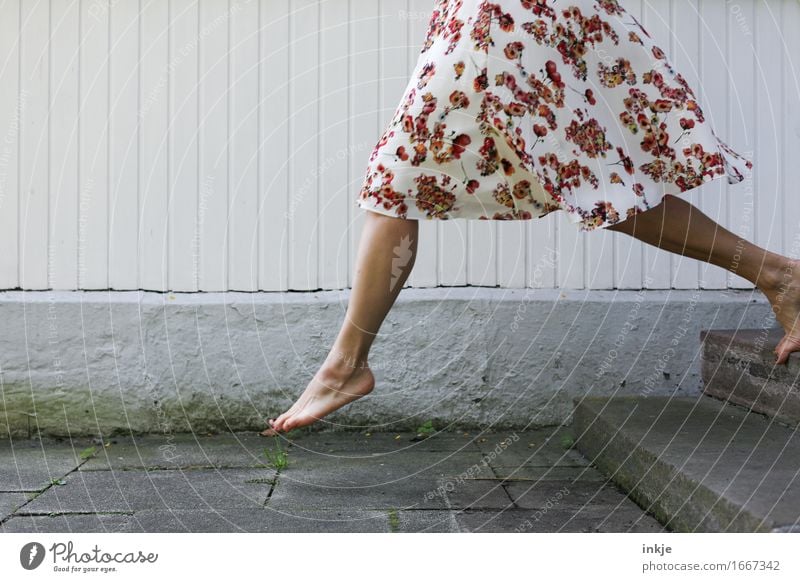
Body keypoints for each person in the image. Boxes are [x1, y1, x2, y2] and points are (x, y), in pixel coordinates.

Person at [262, 0, 799, 436]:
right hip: (495, 17)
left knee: (407, 178)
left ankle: (346, 365)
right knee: (580, 181)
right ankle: (777, 274)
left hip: (503, 17)